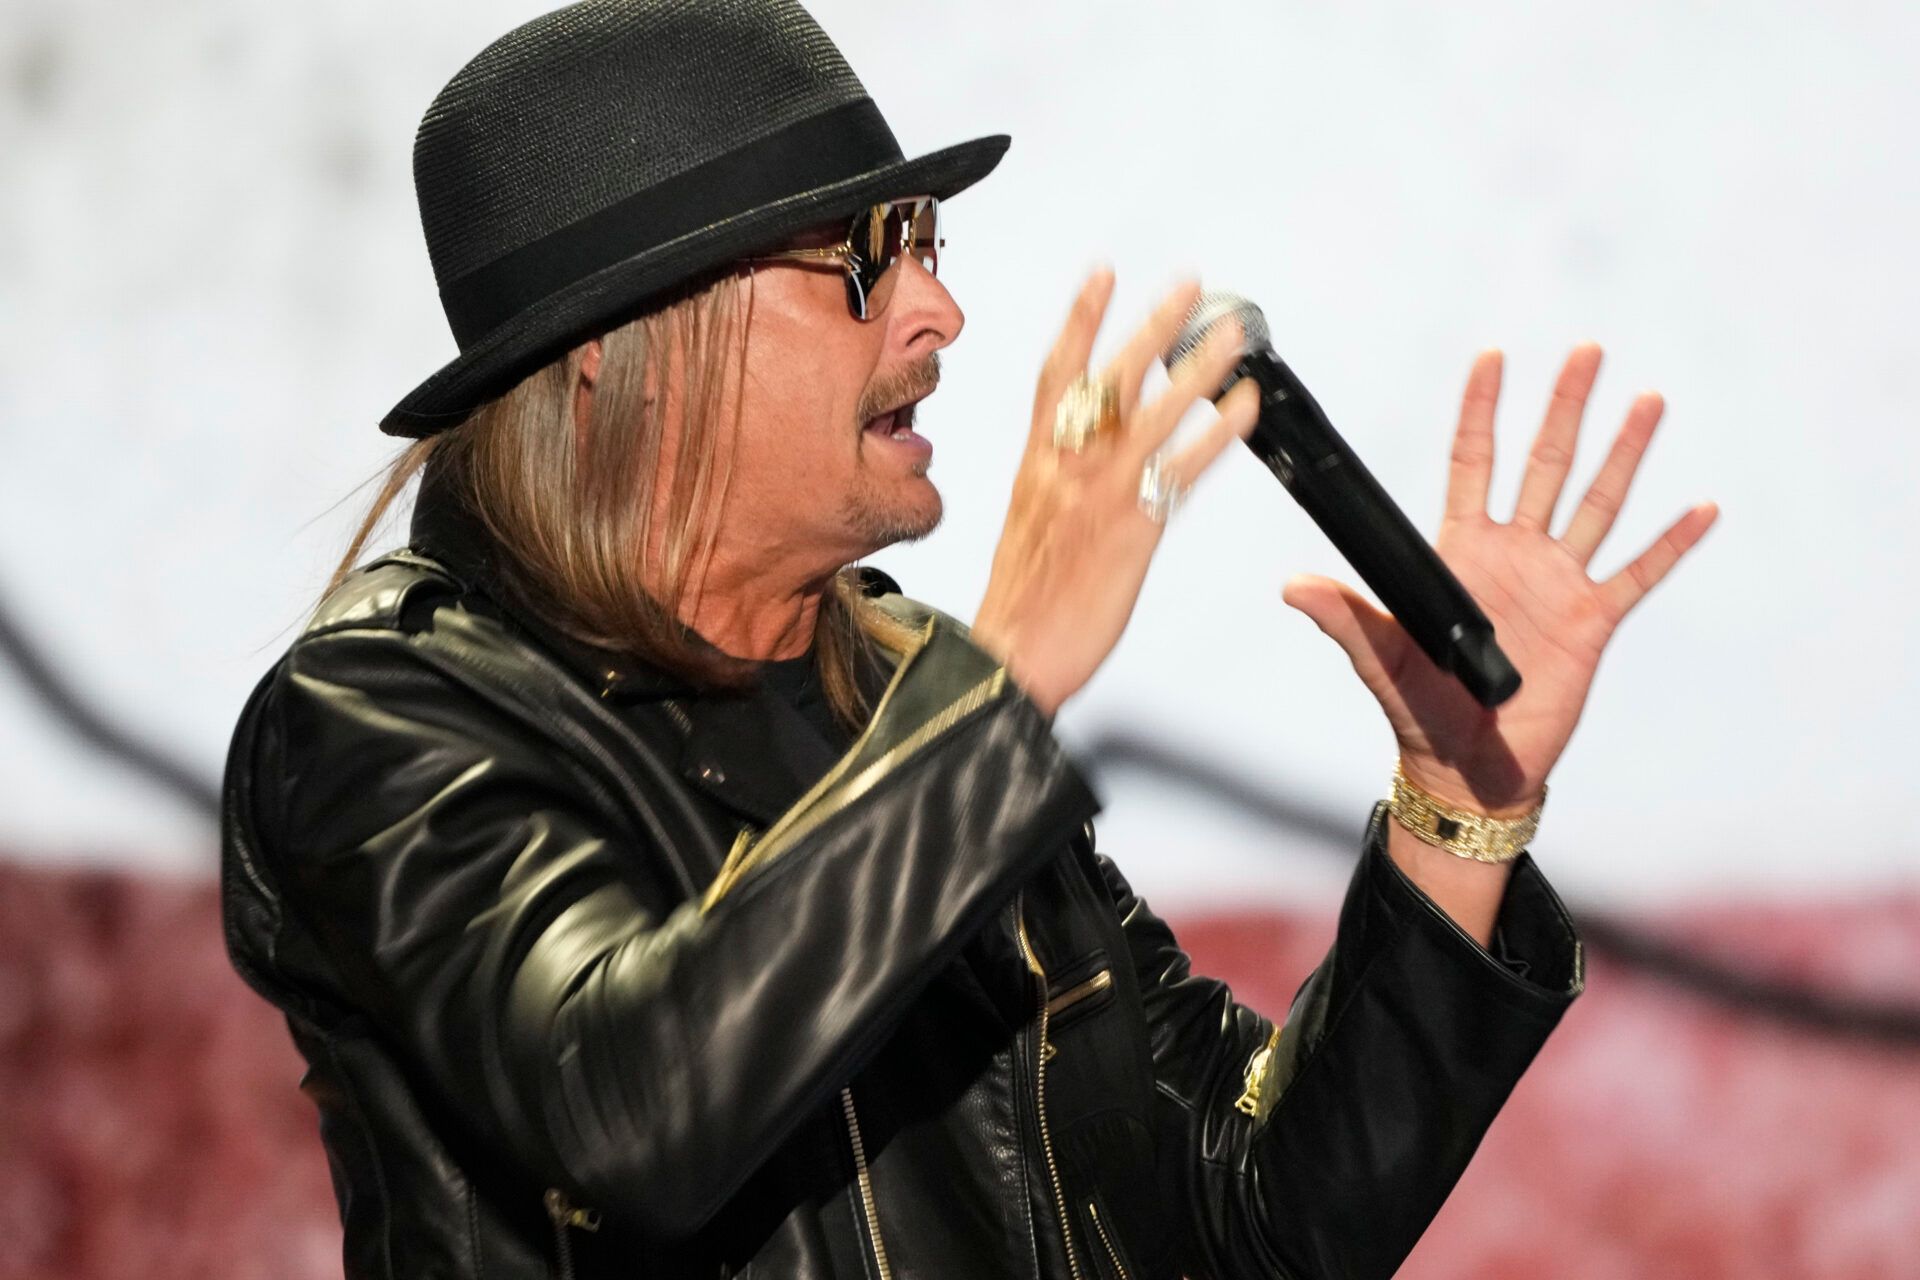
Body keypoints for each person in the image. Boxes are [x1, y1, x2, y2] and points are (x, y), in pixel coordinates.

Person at [219, 3, 1718, 1278]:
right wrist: (1001, 694)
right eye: (868, 254)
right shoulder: (380, 716)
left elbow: (1248, 1217)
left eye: (926, 240)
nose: (940, 309)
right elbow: (625, 1111)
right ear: (626, 345)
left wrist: (1459, 810)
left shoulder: (897, 685)